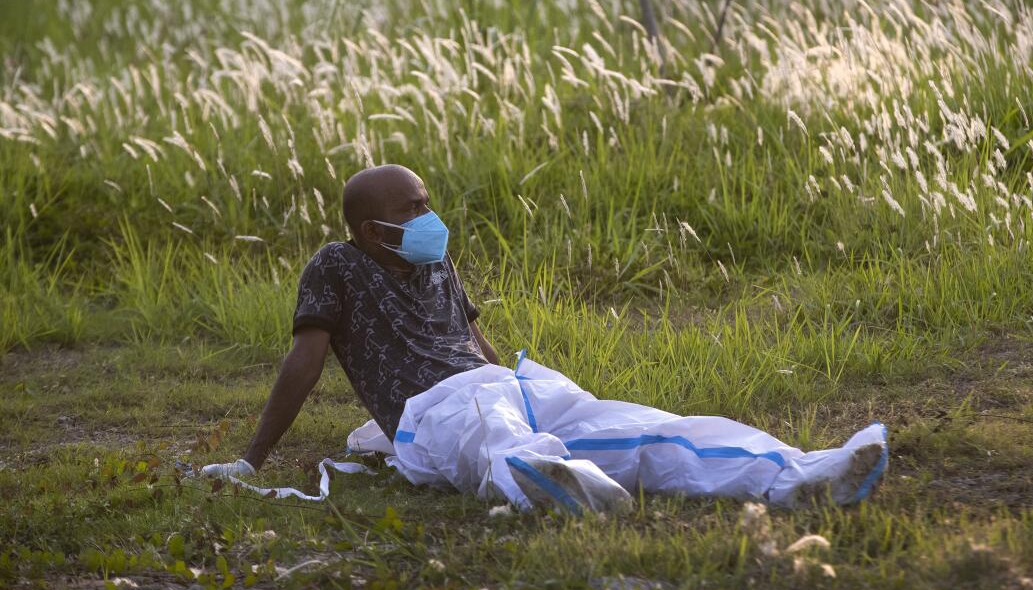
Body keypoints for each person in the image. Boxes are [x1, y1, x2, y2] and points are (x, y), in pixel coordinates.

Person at [200, 165, 888, 513]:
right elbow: (305, 361)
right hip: (430, 410)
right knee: (489, 428)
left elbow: (472, 339)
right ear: (370, 230)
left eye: (428, 202)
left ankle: (801, 474)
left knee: (648, 430)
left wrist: (526, 384)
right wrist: (252, 460)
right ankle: (560, 483)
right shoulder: (338, 266)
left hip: (510, 384)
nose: (428, 216)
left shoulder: (435, 258)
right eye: (411, 209)